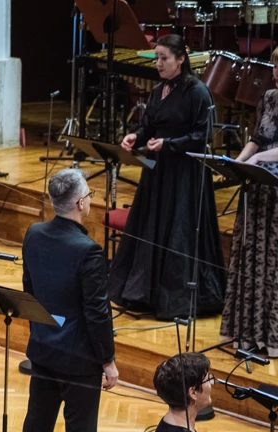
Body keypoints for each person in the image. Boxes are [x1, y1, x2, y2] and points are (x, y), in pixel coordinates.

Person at [20, 169, 118, 432]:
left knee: (38, 423)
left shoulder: (33, 234)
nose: (90, 198)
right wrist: (108, 360)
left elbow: (28, 290)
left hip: (43, 349)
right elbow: (96, 313)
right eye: (89, 194)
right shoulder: (88, 250)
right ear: (80, 203)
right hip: (78, 360)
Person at [111, 34, 224, 321]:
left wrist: (169, 144)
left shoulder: (198, 92)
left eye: (164, 58)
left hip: (186, 174)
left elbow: (203, 136)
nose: (158, 63)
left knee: (179, 231)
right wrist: (137, 136)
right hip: (159, 172)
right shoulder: (157, 90)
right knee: (153, 227)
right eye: (157, 58)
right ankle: (144, 293)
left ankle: (176, 300)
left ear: (181, 59)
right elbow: (149, 125)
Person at [222, 56, 278, 356]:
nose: (277, 73)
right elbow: (257, 139)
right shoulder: (269, 97)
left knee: (271, 260)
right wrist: (238, 162)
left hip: (277, 192)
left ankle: (270, 336)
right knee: (250, 255)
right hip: (258, 185)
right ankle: (247, 333)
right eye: (276, 67)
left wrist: (258, 160)